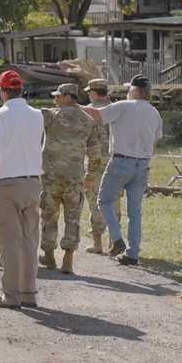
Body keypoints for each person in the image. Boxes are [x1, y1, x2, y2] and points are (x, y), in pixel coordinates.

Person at [0, 71, 44, 308]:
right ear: (21, 89)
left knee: (9, 242)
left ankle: (11, 296)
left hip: (5, 184)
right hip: (33, 183)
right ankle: (29, 293)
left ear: (2, 91)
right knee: (29, 241)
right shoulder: (37, 115)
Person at [81, 75, 163, 266]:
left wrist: (74, 106)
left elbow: (96, 114)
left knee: (104, 200)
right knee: (134, 211)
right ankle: (132, 254)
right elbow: (154, 145)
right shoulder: (154, 113)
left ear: (133, 91)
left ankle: (117, 239)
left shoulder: (124, 106)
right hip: (142, 164)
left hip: (121, 161)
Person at [38, 84, 101, 274]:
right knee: (73, 217)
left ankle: (49, 255)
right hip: (74, 177)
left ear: (67, 97)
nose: (54, 100)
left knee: (49, 215)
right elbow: (96, 154)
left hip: (50, 176)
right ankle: (68, 260)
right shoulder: (88, 120)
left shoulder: (51, 116)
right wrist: (89, 177)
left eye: (57, 97)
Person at [81, 78, 121, 254]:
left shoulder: (88, 112)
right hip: (117, 162)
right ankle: (115, 242)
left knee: (95, 201)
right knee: (114, 201)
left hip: (95, 163)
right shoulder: (118, 110)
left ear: (93, 92)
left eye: (89, 91)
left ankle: (97, 243)